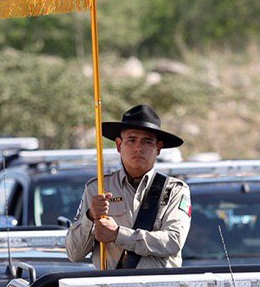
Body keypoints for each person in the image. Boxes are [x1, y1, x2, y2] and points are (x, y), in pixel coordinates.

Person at [66, 104, 191, 269]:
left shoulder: (175, 191)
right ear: (119, 145)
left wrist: (118, 234)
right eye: (131, 140)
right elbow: (74, 253)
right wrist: (90, 216)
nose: (138, 148)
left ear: (158, 148)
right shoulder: (98, 188)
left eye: (147, 141)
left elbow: (173, 241)